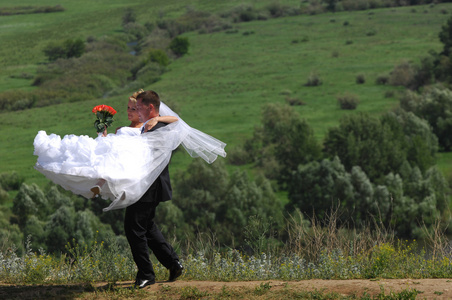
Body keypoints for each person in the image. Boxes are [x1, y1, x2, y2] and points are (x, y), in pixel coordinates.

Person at [124, 90, 183, 288]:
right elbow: (175, 120)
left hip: (149, 186)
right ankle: (173, 263)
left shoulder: (157, 127)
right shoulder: (158, 123)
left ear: (150, 107)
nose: (136, 111)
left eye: (139, 107)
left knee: (133, 228)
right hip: (151, 185)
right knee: (146, 226)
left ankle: (146, 275)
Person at [90, 89, 178, 198]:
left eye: (134, 109)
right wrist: (104, 136)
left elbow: (176, 119)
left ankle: (115, 186)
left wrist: (157, 119)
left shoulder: (146, 126)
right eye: (128, 108)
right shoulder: (122, 129)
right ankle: (100, 183)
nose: (129, 111)